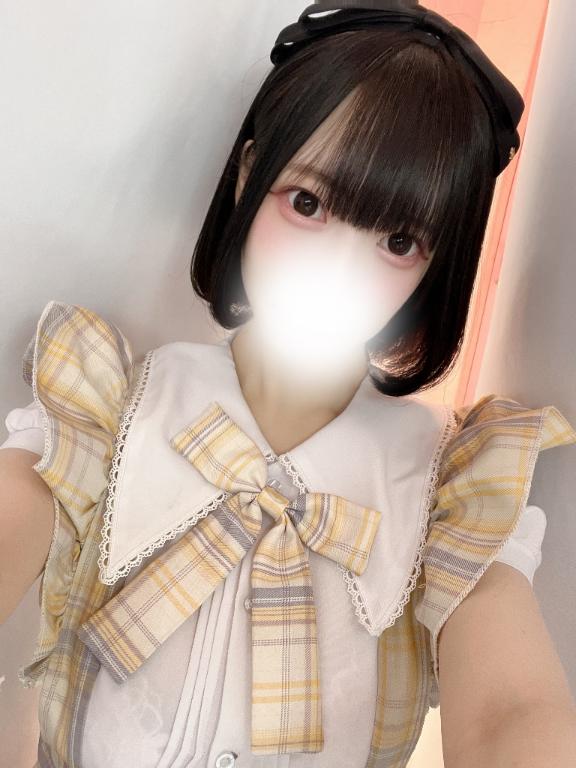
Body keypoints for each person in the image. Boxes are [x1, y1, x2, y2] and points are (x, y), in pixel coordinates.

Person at [1, 3, 575, 766]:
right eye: (308, 203)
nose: (338, 268)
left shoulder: (450, 486)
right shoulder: (112, 405)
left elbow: (512, 711)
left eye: (399, 240)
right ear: (250, 174)